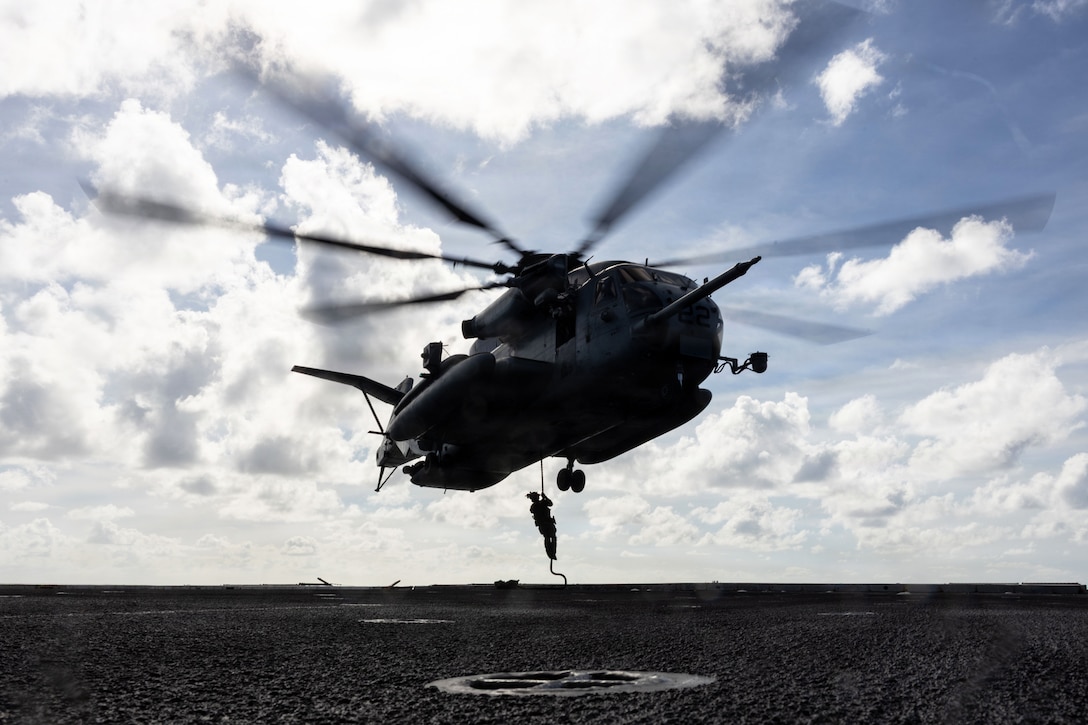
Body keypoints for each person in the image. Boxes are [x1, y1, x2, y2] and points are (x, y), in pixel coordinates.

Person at [527, 491, 558, 560]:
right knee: (548, 537)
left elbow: (550, 504)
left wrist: (545, 497)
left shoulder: (542, 503)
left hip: (548, 523)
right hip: (544, 524)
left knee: (552, 537)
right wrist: (544, 498)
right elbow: (549, 504)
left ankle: (552, 552)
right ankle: (550, 553)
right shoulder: (535, 506)